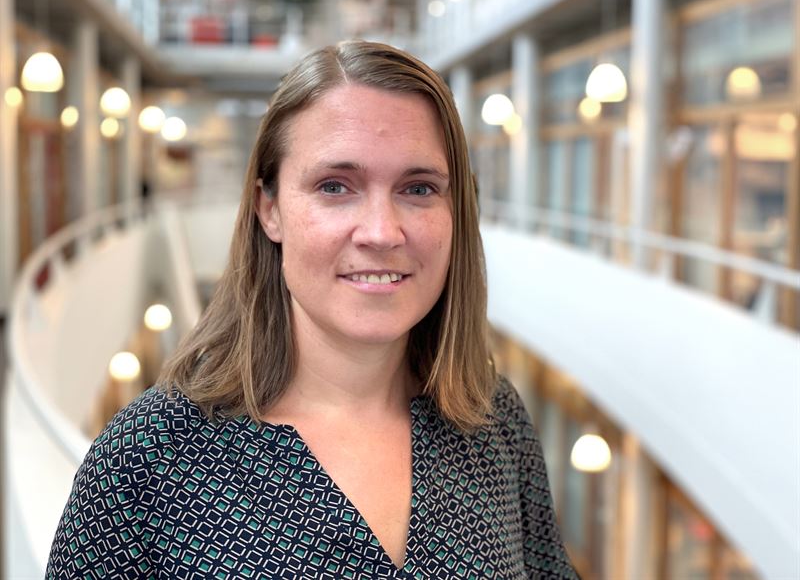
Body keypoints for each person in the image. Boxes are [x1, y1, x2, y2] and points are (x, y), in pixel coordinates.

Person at [47, 41, 577, 579]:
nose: (381, 232)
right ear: (270, 209)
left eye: (418, 188)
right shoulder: (146, 459)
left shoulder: (492, 421)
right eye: (335, 186)